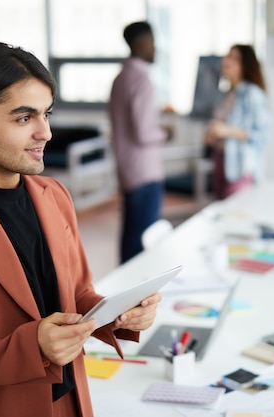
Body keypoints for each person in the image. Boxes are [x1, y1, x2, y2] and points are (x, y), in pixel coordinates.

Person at [0, 41, 161, 417]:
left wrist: (117, 316)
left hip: (71, 401)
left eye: (46, 114)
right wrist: (34, 346)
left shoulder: (55, 195)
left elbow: (78, 296)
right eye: (24, 118)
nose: (45, 133)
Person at [109, 21, 173, 264]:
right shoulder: (142, 81)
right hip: (145, 173)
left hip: (127, 169)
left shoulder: (120, 79)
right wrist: (165, 133)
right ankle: (138, 293)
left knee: (130, 236)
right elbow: (145, 133)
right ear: (143, 44)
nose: (155, 49)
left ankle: (124, 287)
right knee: (144, 239)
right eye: (153, 43)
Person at [203, 44, 269, 200]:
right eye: (227, 56)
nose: (227, 61)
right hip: (221, 160)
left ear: (245, 65)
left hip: (241, 167)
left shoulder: (253, 94)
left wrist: (227, 131)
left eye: (234, 58)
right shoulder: (227, 94)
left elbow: (262, 135)